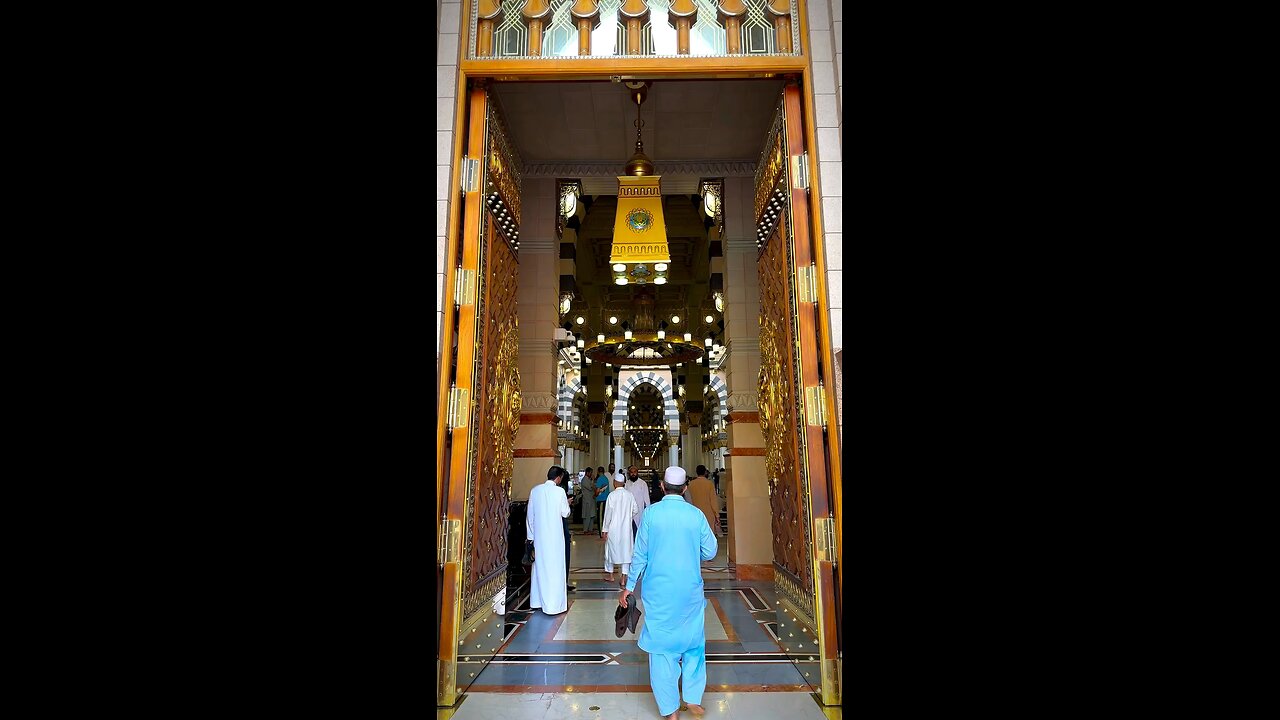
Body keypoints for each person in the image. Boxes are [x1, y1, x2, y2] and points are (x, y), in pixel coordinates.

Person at [619, 467, 717, 720]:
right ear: (684, 488)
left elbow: (640, 556)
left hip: (658, 592)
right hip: (689, 591)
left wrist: (629, 587)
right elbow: (711, 551)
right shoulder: (695, 515)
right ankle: (693, 699)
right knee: (694, 643)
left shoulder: (651, 514)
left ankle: (670, 710)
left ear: (662, 486)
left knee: (662, 650)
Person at [528, 465, 571, 615]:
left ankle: (537, 601)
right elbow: (565, 513)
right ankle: (553, 606)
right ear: (558, 478)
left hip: (539, 538)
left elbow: (530, 517)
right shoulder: (559, 492)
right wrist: (568, 503)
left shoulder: (535, 491)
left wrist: (530, 538)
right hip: (555, 538)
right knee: (555, 570)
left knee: (540, 568)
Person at [601, 472, 639, 586]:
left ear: (614, 483)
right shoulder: (629, 495)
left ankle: (611, 575)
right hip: (626, 530)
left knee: (610, 551)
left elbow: (608, 514)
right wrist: (628, 517)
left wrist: (605, 529)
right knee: (626, 552)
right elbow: (635, 510)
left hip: (613, 529)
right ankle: (623, 578)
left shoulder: (611, 496)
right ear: (624, 483)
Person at [688, 465, 721, 538]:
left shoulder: (691, 484)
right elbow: (713, 501)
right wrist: (717, 516)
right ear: (705, 472)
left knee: (696, 536)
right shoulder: (709, 484)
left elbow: (688, 500)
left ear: (696, 472)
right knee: (708, 537)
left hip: (695, 514)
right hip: (708, 515)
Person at [624, 464, 652, 540]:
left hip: (640, 511)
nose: (633, 474)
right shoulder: (626, 483)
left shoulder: (642, 483)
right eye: (631, 472)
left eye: (635, 472)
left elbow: (647, 499)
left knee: (639, 530)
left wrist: (648, 511)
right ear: (629, 473)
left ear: (637, 472)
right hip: (629, 511)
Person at [579, 466, 598, 534]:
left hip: (591, 500)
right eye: (590, 473)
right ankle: (585, 529)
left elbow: (594, 487)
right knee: (587, 515)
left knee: (591, 515)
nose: (591, 474)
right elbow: (591, 487)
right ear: (587, 472)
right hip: (587, 500)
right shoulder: (584, 480)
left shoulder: (589, 480)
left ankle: (590, 529)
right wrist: (593, 481)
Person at [594, 465, 612, 533]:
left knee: (600, 517)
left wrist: (595, 495)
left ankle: (602, 531)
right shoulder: (606, 478)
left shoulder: (600, 479)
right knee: (604, 515)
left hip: (601, 499)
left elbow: (598, 490)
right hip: (606, 499)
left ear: (598, 472)